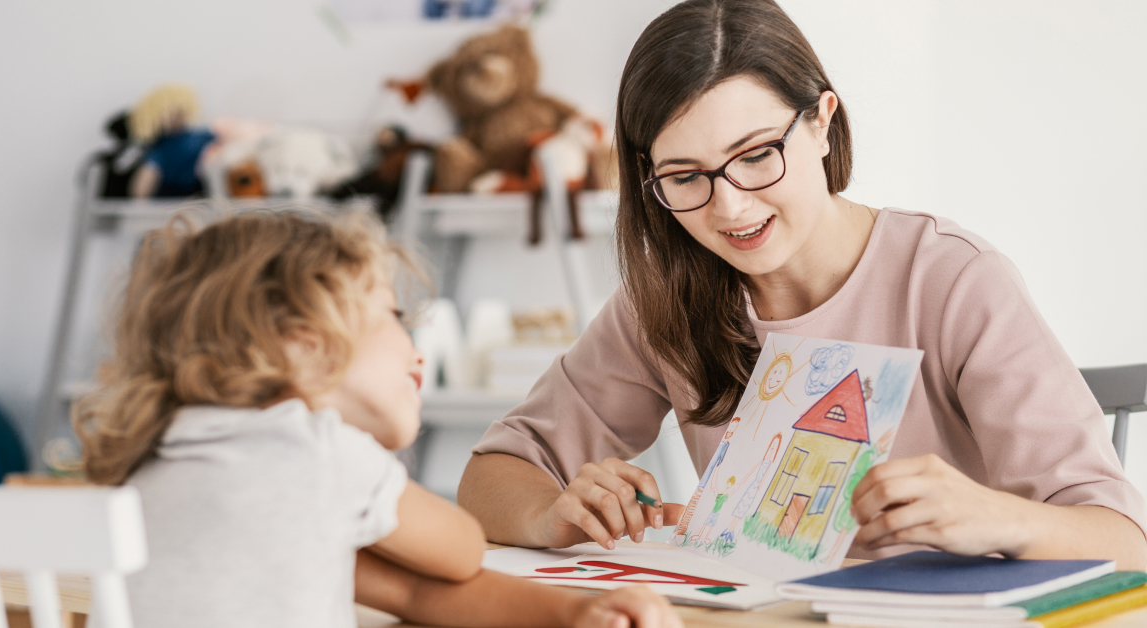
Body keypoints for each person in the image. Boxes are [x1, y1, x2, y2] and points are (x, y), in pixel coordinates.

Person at [458, 0, 1147, 569]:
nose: (730, 207)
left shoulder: (952, 279)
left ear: (821, 122)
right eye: (685, 176)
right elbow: (492, 477)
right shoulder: (667, 297)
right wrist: (551, 512)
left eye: (757, 156)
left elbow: (1124, 542)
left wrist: (996, 517)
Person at [73, 210, 681, 628]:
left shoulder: (156, 461)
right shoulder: (321, 454)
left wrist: (574, 614)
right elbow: (461, 553)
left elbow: (411, 591)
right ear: (302, 343)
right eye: (392, 314)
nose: (414, 343)